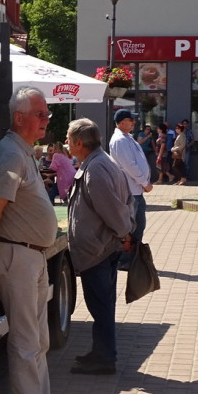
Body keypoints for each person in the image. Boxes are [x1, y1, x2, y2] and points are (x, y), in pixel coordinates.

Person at [0, 87, 78, 394]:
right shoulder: (11, 154)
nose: (46, 120)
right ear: (19, 117)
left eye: (47, 114)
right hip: (16, 254)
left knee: (38, 339)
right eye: (40, 114)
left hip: (30, 254)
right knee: (25, 340)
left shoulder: (21, 151)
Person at [66, 118, 134, 375]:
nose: (66, 142)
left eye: (68, 138)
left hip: (99, 250)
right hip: (100, 248)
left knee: (101, 306)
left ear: (79, 143)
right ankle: (101, 352)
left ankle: (105, 358)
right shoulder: (98, 162)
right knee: (100, 305)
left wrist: (124, 233)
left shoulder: (96, 168)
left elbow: (114, 209)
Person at [108, 108, 152, 270]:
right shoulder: (119, 140)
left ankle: (133, 257)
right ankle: (124, 260)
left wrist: (144, 182)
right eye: (130, 119)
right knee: (130, 227)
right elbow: (129, 166)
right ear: (121, 123)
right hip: (130, 190)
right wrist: (144, 182)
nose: (133, 122)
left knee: (138, 225)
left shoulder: (128, 138)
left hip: (136, 190)